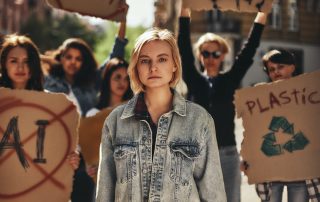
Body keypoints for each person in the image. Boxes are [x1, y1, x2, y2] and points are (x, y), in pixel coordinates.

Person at [96, 28, 227, 201]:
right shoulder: (115, 121)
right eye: (145, 61)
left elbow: (213, 194)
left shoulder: (199, 120)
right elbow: (104, 193)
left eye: (162, 59)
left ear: (174, 64)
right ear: (136, 67)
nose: (153, 67)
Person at [178, 7, 267, 202]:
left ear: (224, 55)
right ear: (200, 55)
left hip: (227, 155)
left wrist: (262, 15)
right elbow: (183, 47)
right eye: (206, 53)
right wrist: (184, 9)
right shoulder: (193, 80)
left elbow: (249, 50)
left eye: (216, 53)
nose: (211, 58)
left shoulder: (230, 80)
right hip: (197, 155)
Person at [246, 49, 320, 202]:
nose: (276, 72)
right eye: (271, 69)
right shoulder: (262, 95)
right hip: (272, 169)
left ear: (292, 67)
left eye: (281, 66)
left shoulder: (305, 94)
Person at [0, 34, 80, 169]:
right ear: (4, 65)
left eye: (26, 61)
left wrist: (71, 158)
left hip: (38, 183)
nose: (20, 67)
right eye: (14, 61)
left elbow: (61, 143)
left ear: (34, 66)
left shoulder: (51, 105)